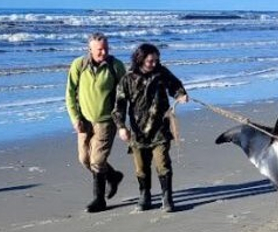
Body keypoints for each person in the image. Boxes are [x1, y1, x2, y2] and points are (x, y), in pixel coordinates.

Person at [113, 43, 188, 212]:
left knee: (162, 163)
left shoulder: (161, 73)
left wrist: (180, 94)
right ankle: (144, 196)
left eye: (156, 60)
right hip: (138, 132)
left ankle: (167, 198)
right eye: (150, 61)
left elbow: (175, 85)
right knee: (141, 167)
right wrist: (121, 127)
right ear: (140, 59)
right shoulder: (127, 79)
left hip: (160, 128)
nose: (154, 63)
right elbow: (119, 105)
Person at [65, 32, 126, 213]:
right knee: (84, 159)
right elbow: (70, 93)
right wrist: (75, 118)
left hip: (106, 121)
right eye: (99, 49)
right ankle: (113, 176)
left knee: (97, 160)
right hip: (84, 121)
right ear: (89, 49)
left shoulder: (116, 66)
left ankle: (99, 200)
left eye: (106, 48)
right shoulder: (79, 65)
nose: (103, 52)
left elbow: (123, 95)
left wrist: (121, 121)